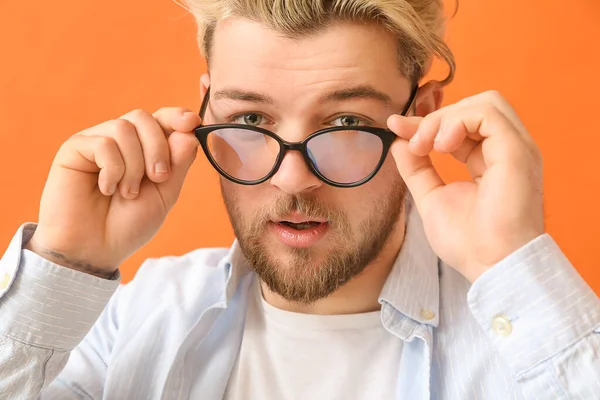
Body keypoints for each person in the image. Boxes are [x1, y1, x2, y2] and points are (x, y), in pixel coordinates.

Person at [0, 0, 599, 399]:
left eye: (343, 123)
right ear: (204, 109)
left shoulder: (521, 342)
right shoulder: (138, 319)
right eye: (251, 117)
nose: (290, 181)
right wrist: (62, 265)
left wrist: (514, 269)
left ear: (421, 117)